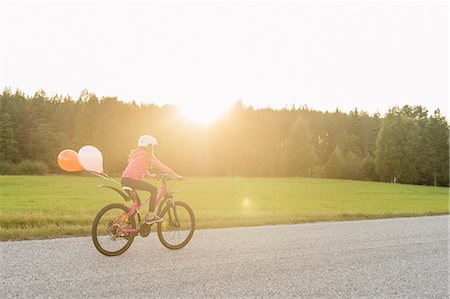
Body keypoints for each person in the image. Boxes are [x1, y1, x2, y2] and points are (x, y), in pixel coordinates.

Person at [121, 135, 183, 224]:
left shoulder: (136, 154)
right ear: (148, 146)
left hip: (124, 180)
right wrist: (175, 175)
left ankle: (127, 224)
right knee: (154, 190)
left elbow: (140, 167)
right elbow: (161, 166)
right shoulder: (147, 155)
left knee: (137, 204)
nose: (153, 148)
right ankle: (151, 217)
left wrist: (150, 176)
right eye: (153, 146)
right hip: (132, 180)